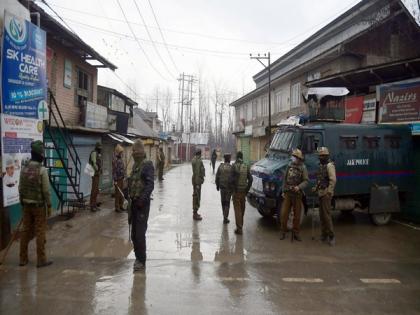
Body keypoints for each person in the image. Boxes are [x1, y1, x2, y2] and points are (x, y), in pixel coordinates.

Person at [19, 140, 53, 268]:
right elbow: (46, 191)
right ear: (40, 155)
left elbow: (20, 187)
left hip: (26, 206)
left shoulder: (24, 168)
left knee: (25, 230)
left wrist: (22, 201)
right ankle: (41, 260)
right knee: (40, 231)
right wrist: (49, 205)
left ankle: (23, 259)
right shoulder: (42, 170)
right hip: (39, 207)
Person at [128, 139, 155, 272]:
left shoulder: (147, 165)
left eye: (134, 151)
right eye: (132, 151)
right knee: (133, 234)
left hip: (141, 205)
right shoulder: (135, 166)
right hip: (133, 204)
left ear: (139, 151)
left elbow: (150, 185)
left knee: (139, 234)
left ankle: (141, 261)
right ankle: (137, 257)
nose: (132, 153)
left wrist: (142, 200)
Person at [279, 149, 309, 241]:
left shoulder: (303, 167)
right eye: (293, 156)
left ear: (298, 158)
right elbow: (284, 179)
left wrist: (299, 187)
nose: (293, 158)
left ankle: (296, 233)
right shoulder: (289, 166)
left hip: (297, 194)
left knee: (297, 215)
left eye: (295, 157)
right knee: (284, 214)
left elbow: (306, 181)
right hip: (288, 193)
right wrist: (283, 191)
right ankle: (283, 232)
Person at [313, 147, 337, 246]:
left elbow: (333, 180)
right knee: (321, 216)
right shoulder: (321, 166)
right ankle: (324, 235)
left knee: (326, 216)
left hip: (326, 194)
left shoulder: (329, 166)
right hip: (320, 193)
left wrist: (329, 192)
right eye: (320, 155)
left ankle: (331, 236)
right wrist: (315, 188)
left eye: (323, 155)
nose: (321, 157)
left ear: (327, 156)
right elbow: (320, 180)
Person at [231, 151, 252, 235]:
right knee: (242, 209)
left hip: (236, 192)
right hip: (243, 191)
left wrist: (232, 189)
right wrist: (247, 190)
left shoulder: (234, 166)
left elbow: (230, 180)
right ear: (242, 157)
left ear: (236, 157)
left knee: (237, 210)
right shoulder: (246, 166)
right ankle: (240, 226)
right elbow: (251, 179)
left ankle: (239, 228)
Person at [215, 153, 233, 224]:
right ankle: (225, 217)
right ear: (229, 159)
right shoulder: (231, 167)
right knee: (227, 203)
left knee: (223, 202)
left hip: (222, 188)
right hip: (228, 189)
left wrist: (217, 185)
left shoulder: (220, 166)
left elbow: (217, 176)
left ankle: (224, 216)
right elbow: (233, 178)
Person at [191, 149, 205, 221]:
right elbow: (197, 172)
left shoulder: (194, 159)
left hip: (195, 180)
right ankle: (195, 213)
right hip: (197, 181)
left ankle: (195, 212)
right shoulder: (198, 161)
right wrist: (197, 184)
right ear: (200, 154)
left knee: (195, 196)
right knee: (196, 196)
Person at [89, 142, 102, 212]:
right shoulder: (94, 153)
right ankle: (92, 206)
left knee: (96, 190)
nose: (100, 149)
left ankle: (94, 204)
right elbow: (94, 163)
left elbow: (98, 162)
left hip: (96, 174)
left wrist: (100, 169)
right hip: (94, 173)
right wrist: (98, 169)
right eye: (99, 148)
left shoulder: (97, 153)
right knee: (94, 190)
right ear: (97, 147)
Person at [113, 144, 125, 213]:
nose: (122, 154)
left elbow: (122, 169)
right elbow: (114, 171)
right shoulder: (116, 160)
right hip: (117, 179)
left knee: (121, 193)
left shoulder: (121, 160)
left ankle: (121, 205)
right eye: (121, 153)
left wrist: (124, 176)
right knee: (117, 194)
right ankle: (117, 207)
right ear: (119, 153)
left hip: (121, 178)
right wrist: (115, 180)